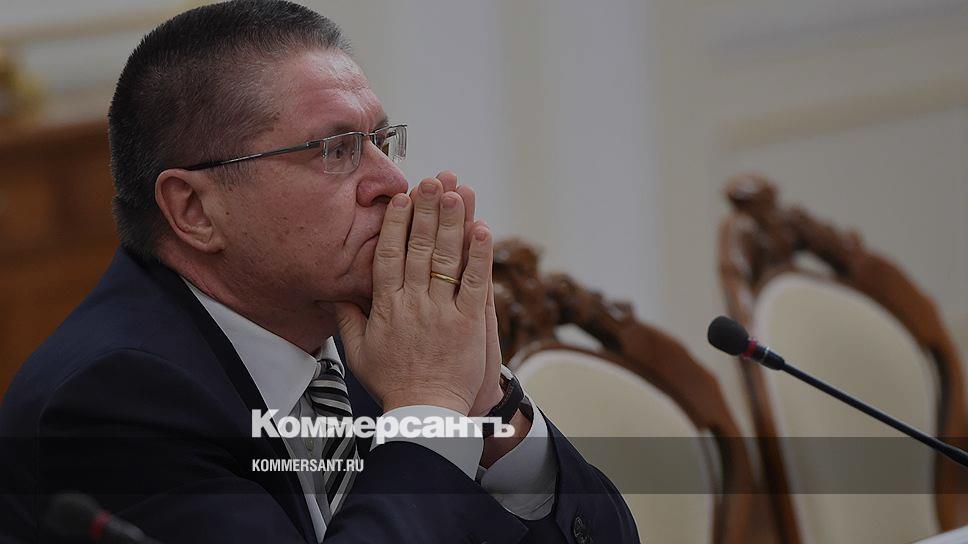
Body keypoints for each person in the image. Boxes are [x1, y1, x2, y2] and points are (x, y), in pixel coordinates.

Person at [0, 2, 638, 543]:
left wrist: (485, 409)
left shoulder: (365, 331)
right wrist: (426, 407)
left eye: (380, 140)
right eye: (335, 151)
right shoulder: (113, 401)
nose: (391, 182)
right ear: (194, 210)